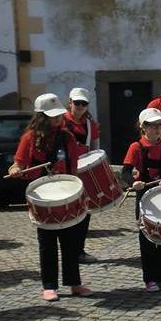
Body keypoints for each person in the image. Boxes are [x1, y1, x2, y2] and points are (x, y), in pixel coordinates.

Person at [8, 93, 93, 302]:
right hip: (42, 196)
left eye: (58, 116)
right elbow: (17, 163)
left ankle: (74, 283)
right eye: (52, 116)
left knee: (71, 242)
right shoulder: (29, 138)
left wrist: (78, 191)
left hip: (66, 193)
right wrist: (15, 169)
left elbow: (73, 168)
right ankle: (49, 286)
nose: (57, 119)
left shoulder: (67, 137)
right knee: (47, 243)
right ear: (41, 116)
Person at [122, 108, 161, 292]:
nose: (157, 129)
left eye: (159, 125)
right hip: (145, 198)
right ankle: (149, 278)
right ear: (143, 127)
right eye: (153, 125)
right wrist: (134, 182)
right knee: (147, 240)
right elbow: (125, 172)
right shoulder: (136, 147)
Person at [65, 87, 100, 264]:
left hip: (83, 170)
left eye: (83, 104)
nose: (79, 106)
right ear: (69, 102)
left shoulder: (90, 124)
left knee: (84, 212)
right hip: (65, 170)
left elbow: (94, 147)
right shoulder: (61, 121)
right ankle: (68, 251)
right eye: (76, 103)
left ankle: (78, 250)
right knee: (67, 212)